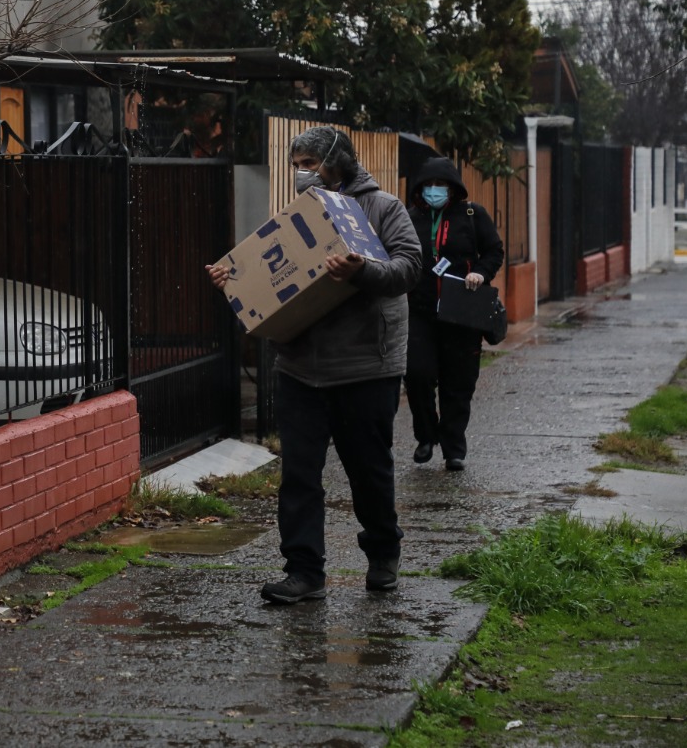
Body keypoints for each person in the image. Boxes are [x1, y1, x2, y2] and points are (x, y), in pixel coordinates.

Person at [206, 126, 421, 604]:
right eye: (297, 164)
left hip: (367, 366)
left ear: (337, 159)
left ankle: (383, 553)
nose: (303, 173)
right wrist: (233, 281)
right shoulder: (296, 218)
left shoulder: (382, 208)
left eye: (310, 163)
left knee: (369, 472)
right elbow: (270, 279)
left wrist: (361, 270)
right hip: (300, 368)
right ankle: (304, 572)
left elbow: (409, 268)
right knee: (300, 476)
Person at [404, 157, 504, 473]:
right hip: (419, 312)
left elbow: (494, 252)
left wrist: (481, 274)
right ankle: (425, 434)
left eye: (441, 186)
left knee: (459, 383)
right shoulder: (409, 218)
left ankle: (453, 448)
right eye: (429, 186)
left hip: (462, 313)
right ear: (420, 189)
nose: (434, 191)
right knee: (417, 375)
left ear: (453, 189)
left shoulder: (473, 215)